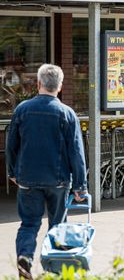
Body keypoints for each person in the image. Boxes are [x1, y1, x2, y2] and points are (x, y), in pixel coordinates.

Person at [6, 64, 88, 279]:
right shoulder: (67, 114)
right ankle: (54, 270)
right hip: (58, 181)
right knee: (58, 225)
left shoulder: (22, 110)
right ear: (59, 87)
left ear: (39, 83)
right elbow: (76, 153)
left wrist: (12, 172)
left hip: (28, 179)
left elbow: (11, 145)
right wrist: (80, 186)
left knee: (29, 224)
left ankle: (25, 256)